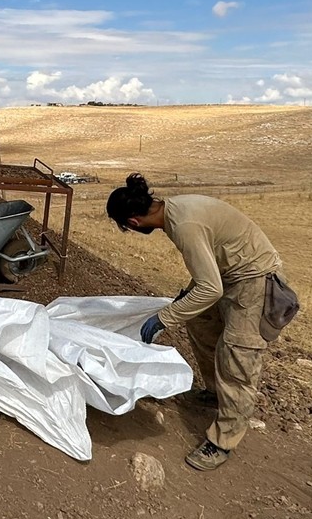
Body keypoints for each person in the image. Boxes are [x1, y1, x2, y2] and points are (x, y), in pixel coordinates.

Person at [106, 174, 299, 472]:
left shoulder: (183, 225)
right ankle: (214, 391)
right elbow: (209, 263)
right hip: (229, 276)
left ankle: (223, 441)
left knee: (237, 356)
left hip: (253, 282)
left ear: (132, 222)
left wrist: (163, 318)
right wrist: (186, 298)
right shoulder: (173, 211)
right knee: (200, 321)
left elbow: (211, 288)